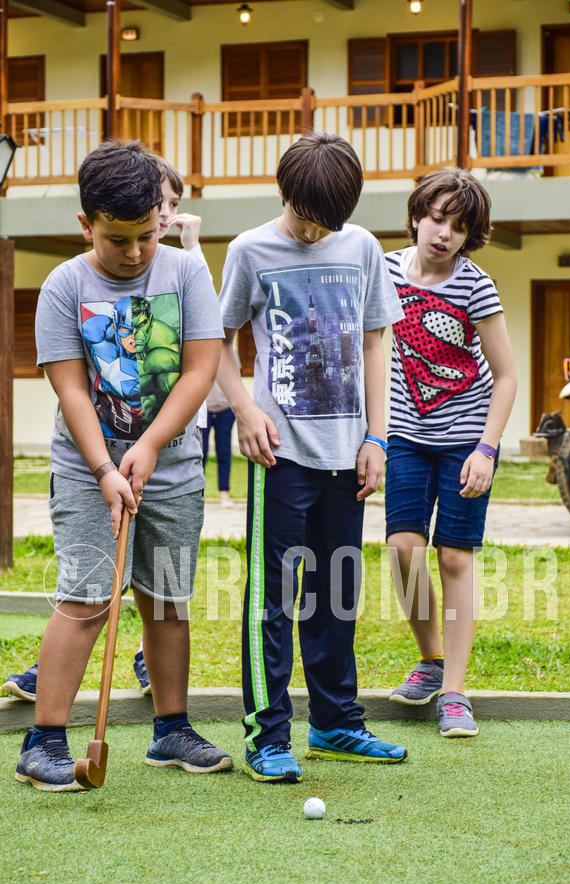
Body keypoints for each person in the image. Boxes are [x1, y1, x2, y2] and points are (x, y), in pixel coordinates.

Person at [14, 140, 232, 791]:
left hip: (172, 469)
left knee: (167, 600)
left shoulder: (187, 274)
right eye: (117, 239)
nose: (134, 253)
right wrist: (108, 468)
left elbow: (200, 369)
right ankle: (44, 740)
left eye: (145, 236)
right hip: (88, 473)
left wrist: (149, 445)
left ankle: (171, 731)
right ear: (87, 226)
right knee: (85, 599)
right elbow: (72, 389)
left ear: (161, 222)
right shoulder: (65, 285)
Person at [217, 132, 408, 783]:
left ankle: (335, 725)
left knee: (336, 593)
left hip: (348, 454)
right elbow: (217, 339)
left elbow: (377, 340)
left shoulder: (362, 249)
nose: (309, 230)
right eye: (303, 215)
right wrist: (245, 411)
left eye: (325, 221)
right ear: (284, 192)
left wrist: (378, 438)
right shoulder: (250, 250)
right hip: (281, 457)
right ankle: (266, 737)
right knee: (271, 599)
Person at [384, 167, 517, 738]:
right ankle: (431, 658)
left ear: (469, 236)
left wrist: (487, 449)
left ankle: (456, 692)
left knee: (455, 558)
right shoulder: (384, 270)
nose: (443, 234)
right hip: (404, 435)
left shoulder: (475, 286)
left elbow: (507, 376)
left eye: (458, 227)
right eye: (436, 219)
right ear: (417, 215)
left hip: (466, 437)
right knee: (402, 550)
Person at [201, 348, 239, 506]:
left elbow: (235, 376)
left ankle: (224, 493)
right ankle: (199, 494)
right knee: (200, 453)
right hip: (204, 408)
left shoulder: (231, 350)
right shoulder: (201, 348)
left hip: (225, 408)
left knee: (224, 452)